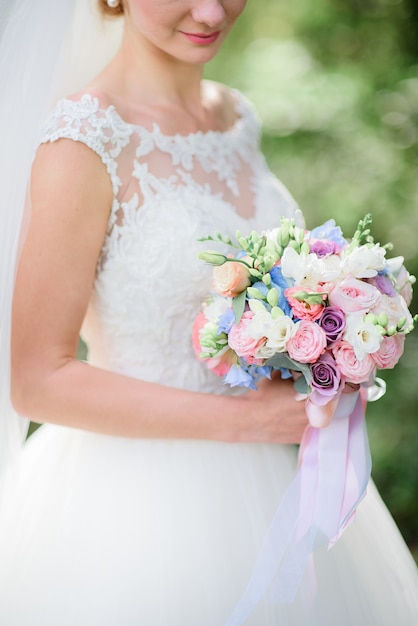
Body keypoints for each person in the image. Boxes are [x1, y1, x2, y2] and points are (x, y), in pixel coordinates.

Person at [0, 1, 417, 624]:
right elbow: (36, 379)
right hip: (136, 508)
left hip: (281, 473)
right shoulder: (83, 139)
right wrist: (245, 424)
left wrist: (323, 340)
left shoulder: (235, 115)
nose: (212, 10)